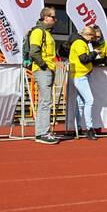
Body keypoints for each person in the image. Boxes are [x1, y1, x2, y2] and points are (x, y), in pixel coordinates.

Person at [29, 7, 59, 144]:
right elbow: (34, 52)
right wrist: (43, 65)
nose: (55, 20)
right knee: (45, 101)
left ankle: (42, 132)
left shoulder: (46, 32)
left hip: (47, 68)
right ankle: (42, 133)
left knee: (45, 101)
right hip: (43, 69)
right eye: (53, 17)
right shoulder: (38, 31)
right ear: (45, 17)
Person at [69, 26, 100, 140]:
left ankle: (78, 127)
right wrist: (94, 53)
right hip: (80, 75)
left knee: (81, 103)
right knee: (89, 100)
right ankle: (89, 128)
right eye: (92, 37)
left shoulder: (79, 42)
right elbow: (84, 59)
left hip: (79, 74)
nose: (92, 40)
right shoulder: (80, 43)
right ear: (88, 35)